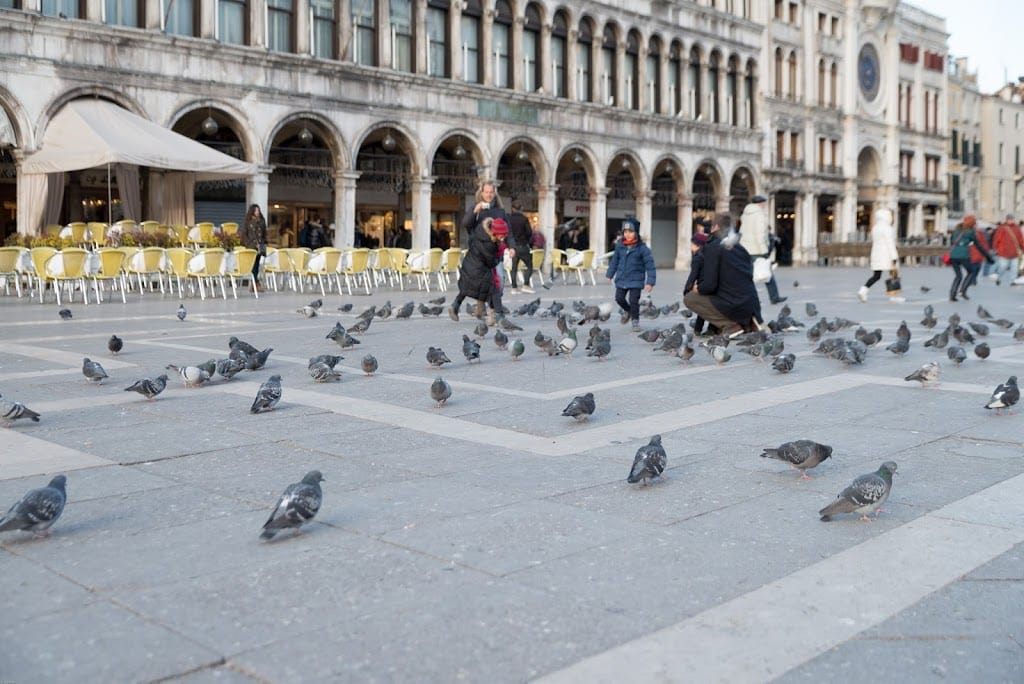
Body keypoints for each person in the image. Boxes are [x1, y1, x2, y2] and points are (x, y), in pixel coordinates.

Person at [683, 213, 761, 337]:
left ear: (715, 228)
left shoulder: (713, 247)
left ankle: (731, 326)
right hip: (750, 305)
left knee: (690, 298)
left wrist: (696, 288)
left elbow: (709, 285)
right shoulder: (741, 248)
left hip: (733, 305)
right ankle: (746, 323)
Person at [450, 216, 507, 325]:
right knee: (494, 289)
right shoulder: (489, 244)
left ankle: (455, 305)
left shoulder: (480, 232)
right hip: (479, 269)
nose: (503, 238)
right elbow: (492, 262)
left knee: (467, 287)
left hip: (469, 264)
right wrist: (499, 255)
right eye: (502, 235)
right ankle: (499, 317)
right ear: (494, 232)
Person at [605, 218, 656, 332]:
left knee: (634, 300)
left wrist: (650, 282)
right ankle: (628, 310)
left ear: (636, 233)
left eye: (630, 232)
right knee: (619, 298)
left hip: (636, 280)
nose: (627, 234)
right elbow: (614, 261)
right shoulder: (620, 246)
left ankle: (635, 321)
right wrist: (610, 273)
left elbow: (650, 265)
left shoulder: (643, 249)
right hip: (622, 278)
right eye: (625, 232)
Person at [739, 194, 786, 304]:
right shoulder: (759, 215)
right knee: (767, 272)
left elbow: (741, 232)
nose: (764, 205)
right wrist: (764, 250)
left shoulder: (745, 214)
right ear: (760, 203)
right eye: (763, 203)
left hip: (746, 248)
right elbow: (760, 234)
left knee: (748, 275)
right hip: (757, 249)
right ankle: (774, 297)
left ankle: (744, 297)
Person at [856, 208, 901, 303]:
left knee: (876, 276)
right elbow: (890, 243)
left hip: (876, 254)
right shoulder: (887, 228)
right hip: (886, 255)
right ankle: (893, 297)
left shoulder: (875, 228)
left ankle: (863, 290)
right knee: (893, 275)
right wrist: (894, 256)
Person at [948, 215, 993, 301]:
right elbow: (978, 245)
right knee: (971, 272)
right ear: (972, 223)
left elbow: (951, 241)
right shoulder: (971, 232)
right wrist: (988, 257)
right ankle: (963, 291)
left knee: (958, 275)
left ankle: (952, 295)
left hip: (953, 255)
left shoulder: (956, 230)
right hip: (964, 256)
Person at [506, 200, 535, 294]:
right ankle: (526, 285)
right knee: (530, 266)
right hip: (522, 245)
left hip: (512, 247)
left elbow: (506, 233)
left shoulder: (509, 219)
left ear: (512, 209)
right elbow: (529, 232)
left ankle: (514, 288)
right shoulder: (524, 219)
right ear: (521, 208)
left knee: (514, 267)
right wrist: (526, 240)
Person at [683, 231, 709, 335]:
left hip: (701, 285)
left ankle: (698, 329)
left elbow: (693, 274)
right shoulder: (708, 255)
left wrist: (687, 288)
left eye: (692, 244)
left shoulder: (697, 257)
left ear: (697, 245)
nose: (690, 246)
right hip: (708, 284)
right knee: (704, 307)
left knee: (701, 308)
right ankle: (698, 329)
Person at [241, 204, 268, 292]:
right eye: (256, 210)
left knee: (257, 265)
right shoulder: (248, 222)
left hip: (259, 247)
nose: (257, 212)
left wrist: (263, 242)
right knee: (253, 265)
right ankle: (255, 283)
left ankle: (254, 283)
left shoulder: (262, 221)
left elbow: (264, 234)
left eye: (258, 210)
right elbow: (244, 234)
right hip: (251, 247)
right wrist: (248, 244)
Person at [991, 214, 1023, 286]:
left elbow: (1021, 240)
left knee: (1014, 268)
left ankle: (1013, 281)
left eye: (1012, 219)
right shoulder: (1002, 228)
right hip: (1004, 252)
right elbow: (997, 239)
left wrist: (1023, 248)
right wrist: (995, 248)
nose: (1011, 220)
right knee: (1003, 267)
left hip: (1015, 252)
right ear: (1006, 220)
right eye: (1009, 219)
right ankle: (999, 278)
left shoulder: (1017, 228)